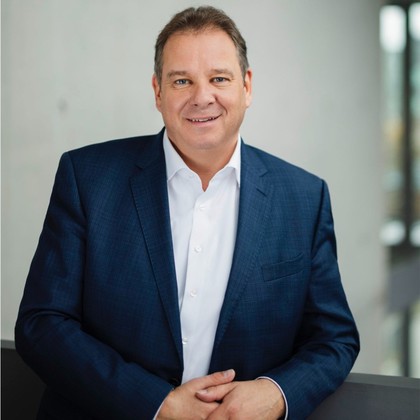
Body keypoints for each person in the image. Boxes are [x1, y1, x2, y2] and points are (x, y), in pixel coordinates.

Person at [15, 6, 359, 420]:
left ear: (247, 86)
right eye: (182, 81)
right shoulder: (86, 179)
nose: (201, 97)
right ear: (158, 92)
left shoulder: (304, 198)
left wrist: (275, 393)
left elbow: (334, 339)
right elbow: (42, 323)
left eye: (219, 78)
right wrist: (155, 403)